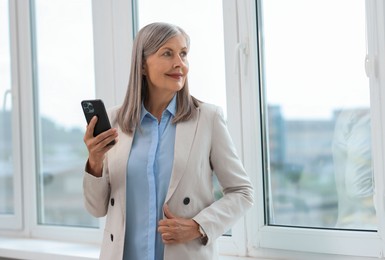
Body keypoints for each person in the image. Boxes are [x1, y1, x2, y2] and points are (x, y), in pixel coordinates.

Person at [82, 22, 254, 260]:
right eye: (167, 53)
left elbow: (242, 192)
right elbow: (96, 208)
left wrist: (198, 225)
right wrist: (95, 161)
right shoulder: (114, 120)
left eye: (183, 54)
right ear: (142, 65)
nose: (179, 63)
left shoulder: (207, 118)